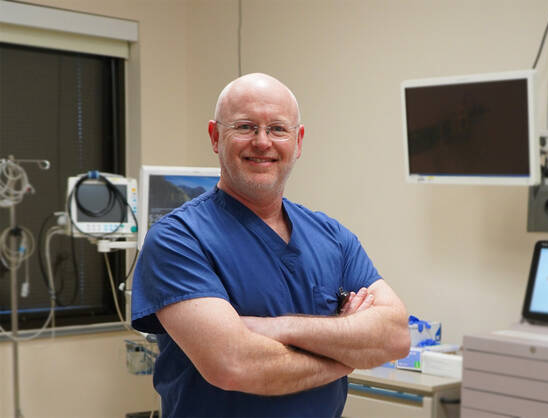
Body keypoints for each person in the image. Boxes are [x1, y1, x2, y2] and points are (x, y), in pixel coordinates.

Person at [131, 73, 410, 417]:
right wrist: (347, 353)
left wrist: (277, 327)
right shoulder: (178, 240)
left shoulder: (332, 237)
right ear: (216, 136)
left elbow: (395, 338)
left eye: (278, 129)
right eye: (246, 127)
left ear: (299, 141)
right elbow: (235, 365)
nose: (262, 142)